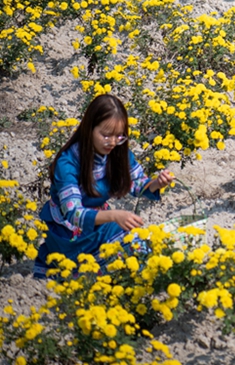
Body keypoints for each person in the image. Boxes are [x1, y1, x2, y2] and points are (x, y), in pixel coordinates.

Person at [34, 94, 174, 278]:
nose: (113, 142)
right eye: (106, 135)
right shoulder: (67, 163)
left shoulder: (117, 153)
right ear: (89, 128)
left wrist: (157, 183)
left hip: (98, 223)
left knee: (135, 243)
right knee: (130, 242)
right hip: (68, 234)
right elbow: (73, 214)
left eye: (119, 136)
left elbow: (137, 184)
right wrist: (114, 216)